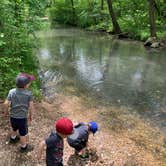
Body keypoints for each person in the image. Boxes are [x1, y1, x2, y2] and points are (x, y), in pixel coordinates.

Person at [4, 73, 35, 152]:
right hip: (22, 118)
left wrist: (6, 112)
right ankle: (23, 147)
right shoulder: (29, 94)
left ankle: (13, 139)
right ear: (25, 85)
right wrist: (31, 115)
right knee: (22, 133)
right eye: (29, 83)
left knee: (14, 128)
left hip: (13, 116)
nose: (29, 84)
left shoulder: (11, 91)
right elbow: (31, 106)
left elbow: (6, 103)